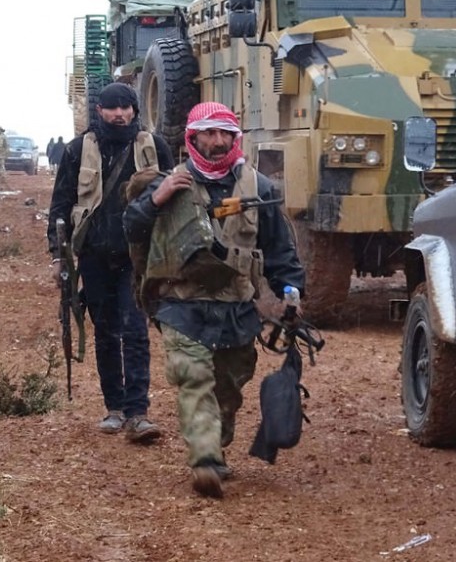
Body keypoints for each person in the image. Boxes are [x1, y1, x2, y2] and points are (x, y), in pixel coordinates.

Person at [123, 101, 305, 498]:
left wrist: (291, 293)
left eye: (226, 133)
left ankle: (215, 447)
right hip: (181, 303)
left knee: (229, 386)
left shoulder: (260, 188)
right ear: (193, 138)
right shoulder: (170, 182)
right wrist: (156, 198)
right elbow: (131, 226)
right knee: (193, 377)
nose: (217, 141)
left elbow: (280, 252)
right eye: (208, 133)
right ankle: (204, 460)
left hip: (238, 307)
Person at [47, 82, 173, 442]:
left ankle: (138, 412)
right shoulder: (77, 150)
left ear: (135, 110)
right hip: (94, 256)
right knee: (105, 331)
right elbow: (60, 205)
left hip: (139, 255)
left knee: (135, 330)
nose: (119, 114)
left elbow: (177, 197)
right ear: (99, 111)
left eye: (125, 107)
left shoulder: (154, 146)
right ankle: (114, 408)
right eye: (111, 108)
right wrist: (58, 256)